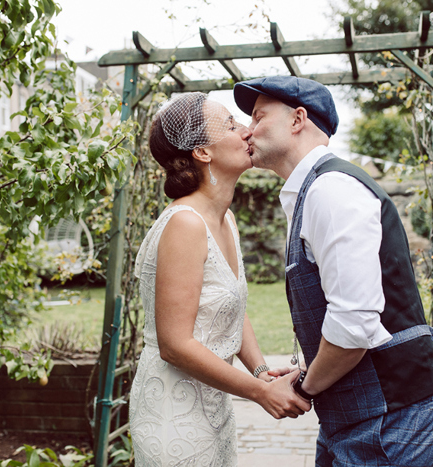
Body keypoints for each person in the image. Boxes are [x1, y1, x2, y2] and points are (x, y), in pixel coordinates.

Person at [233, 76, 433, 467]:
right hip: (362, 414)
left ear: (298, 119)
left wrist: (305, 386)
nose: (248, 130)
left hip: (392, 417)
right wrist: (310, 367)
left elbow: (353, 324)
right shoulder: (313, 191)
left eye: (258, 116)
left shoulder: (330, 191)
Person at [128, 92, 311, 467]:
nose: (247, 131)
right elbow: (174, 345)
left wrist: (262, 369)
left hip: (213, 406)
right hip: (173, 414)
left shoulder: (224, 219)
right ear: (203, 152)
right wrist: (261, 392)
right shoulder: (185, 223)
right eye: (230, 124)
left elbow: (229, 306)